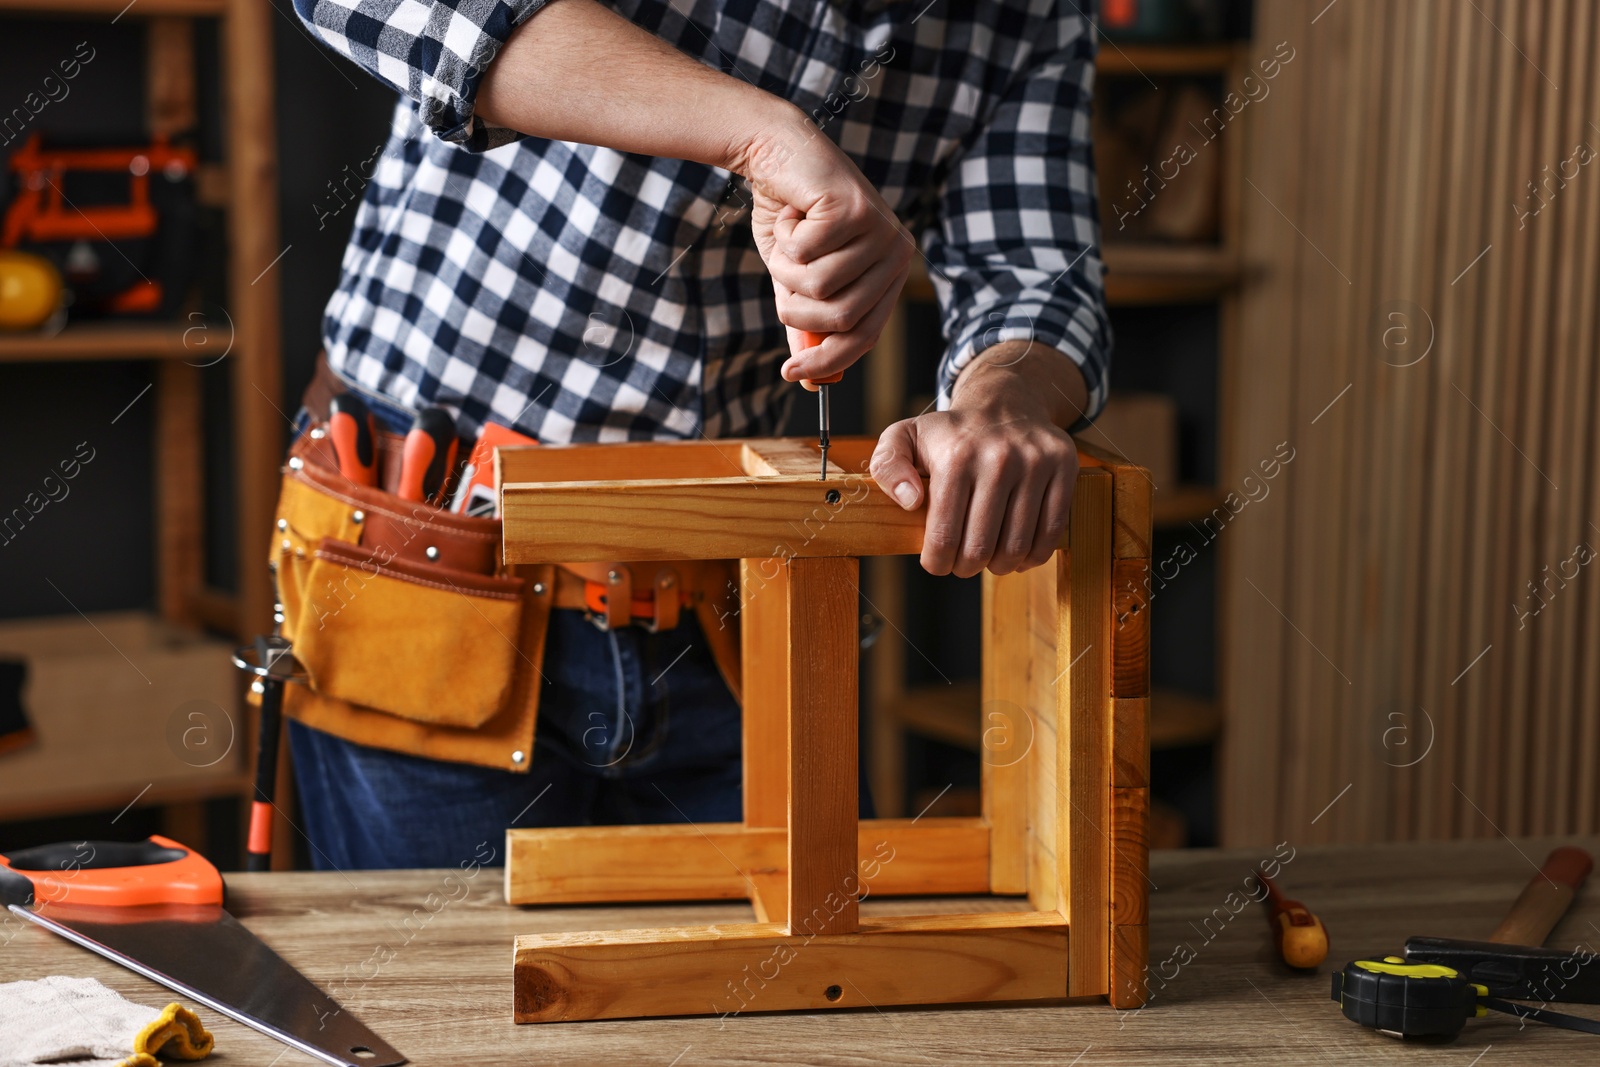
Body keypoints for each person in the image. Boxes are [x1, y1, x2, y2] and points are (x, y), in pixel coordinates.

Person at [284, 0, 1111, 869]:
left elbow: (1033, 269)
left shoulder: (1035, 14)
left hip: (723, 606)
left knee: (817, 986)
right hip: (429, 558)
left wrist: (1002, 398)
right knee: (446, 1000)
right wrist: (758, 132)